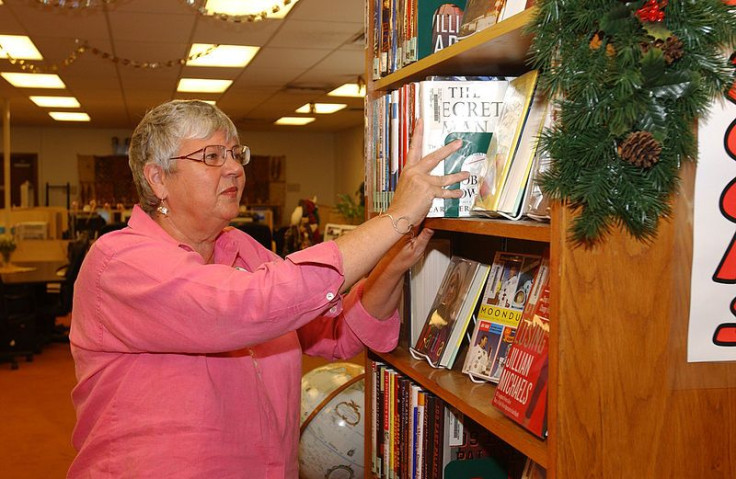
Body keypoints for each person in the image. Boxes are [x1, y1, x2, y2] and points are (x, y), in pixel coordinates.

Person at [67, 99, 468, 478]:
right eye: (211, 156)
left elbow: (336, 332)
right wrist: (395, 217)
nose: (234, 169)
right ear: (158, 179)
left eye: (236, 154)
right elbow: (246, 306)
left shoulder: (241, 248)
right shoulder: (119, 262)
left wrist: (393, 263)